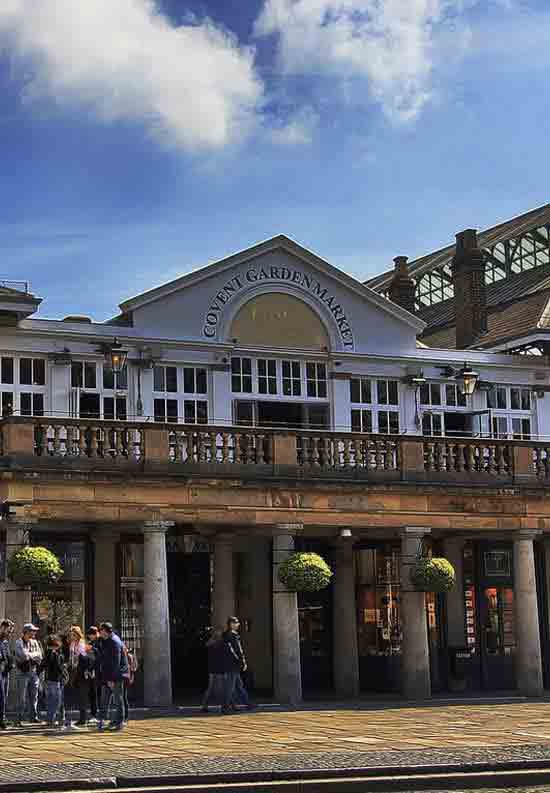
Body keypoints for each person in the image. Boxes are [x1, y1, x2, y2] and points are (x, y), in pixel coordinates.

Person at [97, 622, 127, 731]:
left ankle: (119, 721)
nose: (100, 633)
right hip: (109, 675)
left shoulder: (114, 642)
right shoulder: (108, 640)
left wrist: (111, 679)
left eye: (101, 631)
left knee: (117, 699)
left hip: (116, 676)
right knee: (106, 698)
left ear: (105, 631)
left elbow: (115, 662)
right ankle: (107, 719)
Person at [223, 617, 255, 713]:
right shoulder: (233, 635)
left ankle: (246, 704)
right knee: (230, 687)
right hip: (233, 664)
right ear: (231, 624)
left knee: (238, 686)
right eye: (236, 623)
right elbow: (238, 650)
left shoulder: (225, 635)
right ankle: (225, 707)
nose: (238, 624)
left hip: (229, 664)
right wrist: (243, 662)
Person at [14, 623, 43, 726]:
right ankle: (19, 719)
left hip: (33, 672)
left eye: (35, 631)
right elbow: (22, 656)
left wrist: (30, 655)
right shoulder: (18, 642)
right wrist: (32, 655)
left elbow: (40, 656)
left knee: (34, 696)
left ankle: (33, 717)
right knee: (21, 697)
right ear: (26, 632)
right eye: (32, 631)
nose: (34, 633)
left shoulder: (35, 642)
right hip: (22, 673)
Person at [63, 626, 89, 728]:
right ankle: (80, 718)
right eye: (71, 634)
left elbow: (82, 658)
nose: (72, 636)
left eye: (73, 634)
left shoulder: (82, 644)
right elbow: (71, 658)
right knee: (78, 695)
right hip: (74, 671)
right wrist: (67, 665)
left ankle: (83, 719)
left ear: (78, 634)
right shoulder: (72, 644)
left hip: (81, 672)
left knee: (82, 695)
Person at [41, 635, 68, 728]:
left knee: (50, 700)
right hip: (56, 680)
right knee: (56, 701)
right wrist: (64, 673)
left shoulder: (46, 653)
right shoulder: (55, 654)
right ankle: (52, 719)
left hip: (48, 679)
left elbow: (42, 665)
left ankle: (50, 719)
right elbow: (58, 667)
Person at [201, 627, 228, 713]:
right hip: (215, 668)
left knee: (220, 688)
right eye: (218, 632)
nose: (219, 633)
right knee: (214, 688)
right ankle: (206, 706)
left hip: (218, 667)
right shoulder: (215, 642)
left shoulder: (221, 642)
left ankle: (223, 706)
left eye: (220, 632)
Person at [0, 619, 14, 729]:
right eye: (8, 631)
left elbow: (8, 655)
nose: (9, 633)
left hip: (5, 672)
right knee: (1, 695)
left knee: (4, 695)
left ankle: (2, 718)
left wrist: (10, 663)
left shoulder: (5, 641)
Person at [122, 645, 138, 724]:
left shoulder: (128, 656)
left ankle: (125, 716)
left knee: (123, 697)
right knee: (123, 696)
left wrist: (131, 677)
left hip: (125, 678)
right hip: (125, 677)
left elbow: (132, 668)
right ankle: (124, 716)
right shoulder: (127, 656)